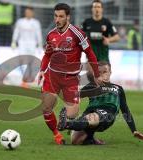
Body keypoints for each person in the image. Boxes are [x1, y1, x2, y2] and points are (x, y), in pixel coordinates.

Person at [38, 3, 102, 145]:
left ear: (68, 17)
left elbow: (90, 54)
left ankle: (65, 117)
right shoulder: (51, 35)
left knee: (72, 115)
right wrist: (42, 70)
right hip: (52, 76)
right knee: (46, 107)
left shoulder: (78, 34)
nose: (57, 19)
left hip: (71, 78)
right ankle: (57, 135)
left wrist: (96, 74)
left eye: (61, 16)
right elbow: (47, 55)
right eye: (55, 16)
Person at [57, 61, 143, 145]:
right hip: (89, 112)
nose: (101, 75)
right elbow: (75, 96)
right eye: (99, 72)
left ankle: (66, 124)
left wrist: (134, 130)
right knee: (76, 141)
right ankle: (91, 138)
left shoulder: (117, 88)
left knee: (91, 117)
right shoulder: (91, 86)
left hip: (107, 113)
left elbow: (125, 110)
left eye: (105, 72)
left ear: (110, 72)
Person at [11, 6, 43, 87]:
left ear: (32, 13)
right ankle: (24, 80)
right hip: (22, 43)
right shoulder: (20, 22)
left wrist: (40, 44)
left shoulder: (36, 22)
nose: (28, 13)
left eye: (29, 12)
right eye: (26, 12)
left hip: (32, 44)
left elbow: (38, 34)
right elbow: (16, 31)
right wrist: (14, 41)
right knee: (22, 60)